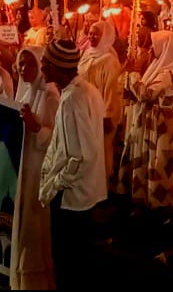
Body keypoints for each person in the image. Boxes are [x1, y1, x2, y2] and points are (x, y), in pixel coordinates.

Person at [38, 40, 106, 290]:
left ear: (58, 67)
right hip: (83, 192)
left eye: (46, 62)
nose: (42, 66)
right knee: (81, 257)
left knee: (69, 261)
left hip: (71, 195)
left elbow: (80, 155)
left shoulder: (72, 100)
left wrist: (55, 186)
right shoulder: (86, 90)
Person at [13, 46, 60, 289]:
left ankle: (37, 276)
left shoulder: (50, 95)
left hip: (39, 165)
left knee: (35, 218)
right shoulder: (24, 90)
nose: (24, 69)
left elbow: (56, 137)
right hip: (23, 161)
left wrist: (35, 127)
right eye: (21, 64)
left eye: (30, 64)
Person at [119, 30, 173, 209]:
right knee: (147, 160)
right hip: (149, 121)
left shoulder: (169, 72)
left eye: (154, 44)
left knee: (159, 163)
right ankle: (144, 199)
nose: (151, 48)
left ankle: (161, 206)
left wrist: (134, 73)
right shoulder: (156, 67)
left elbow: (147, 94)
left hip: (161, 124)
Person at [78, 20, 123, 180]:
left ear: (105, 36)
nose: (91, 36)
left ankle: (103, 182)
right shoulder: (87, 54)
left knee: (102, 148)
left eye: (96, 33)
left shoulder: (109, 60)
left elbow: (111, 89)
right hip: (85, 107)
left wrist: (107, 114)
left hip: (101, 109)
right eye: (90, 32)